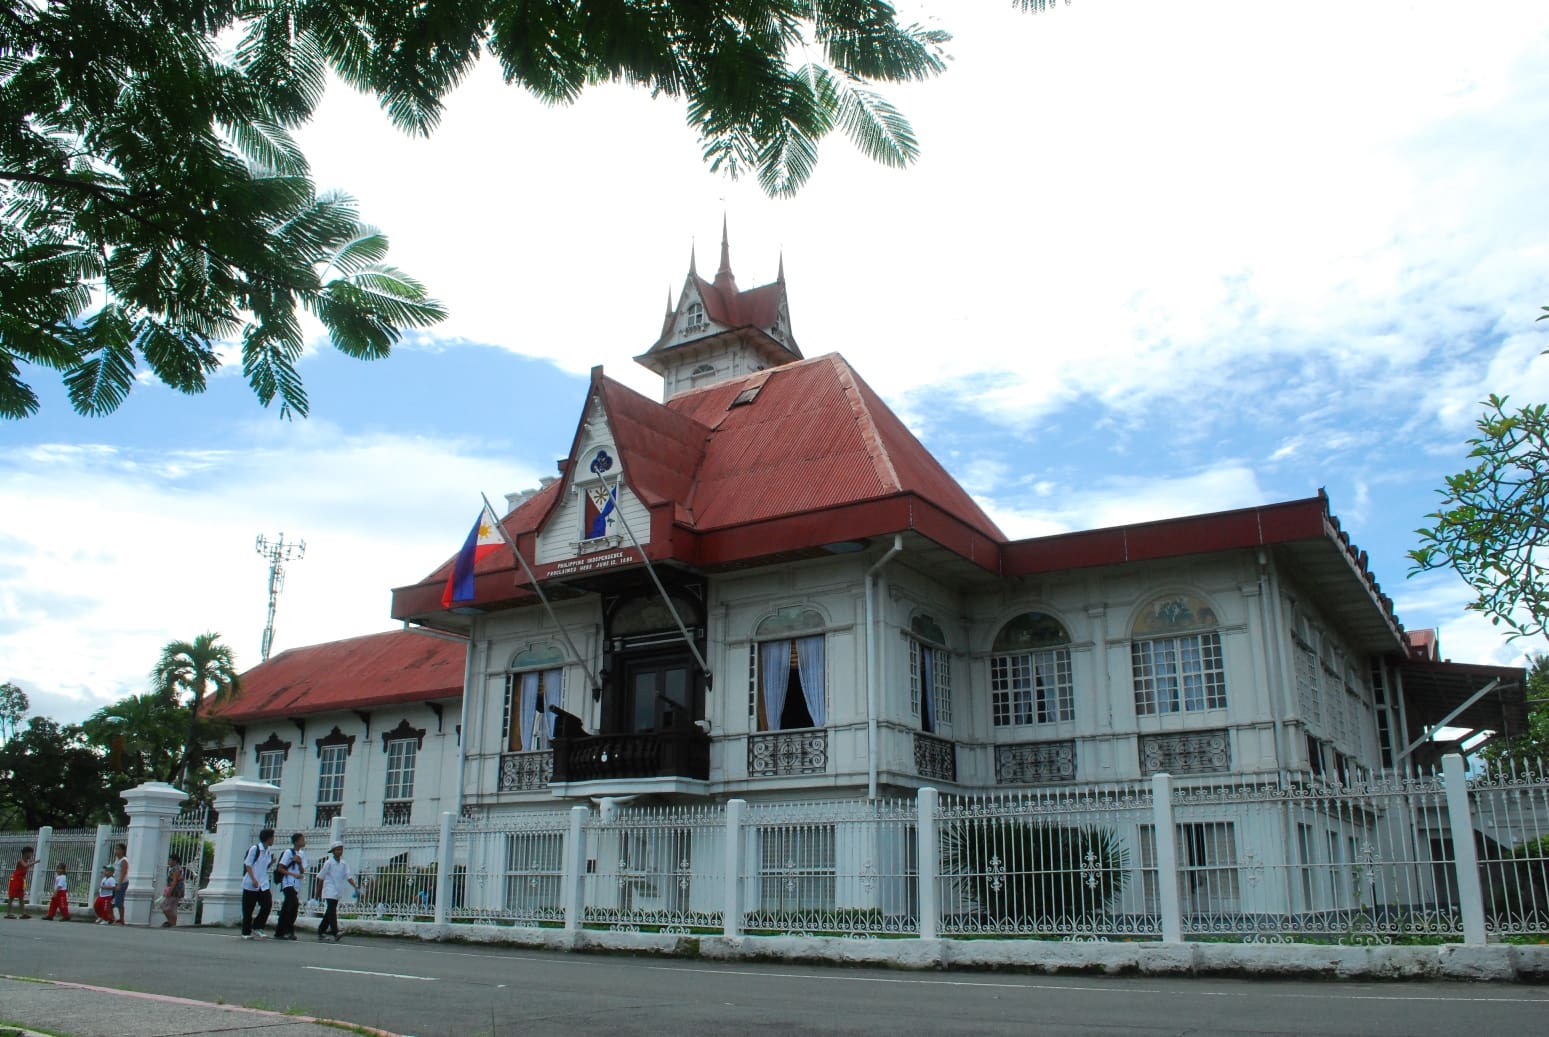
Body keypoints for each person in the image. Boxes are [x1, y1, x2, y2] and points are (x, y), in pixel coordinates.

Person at [316, 840, 357, 942]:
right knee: (332, 911)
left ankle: (321, 931)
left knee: (329, 913)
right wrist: (318, 890)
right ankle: (336, 932)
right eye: (337, 850)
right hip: (329, 889)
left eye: (341, 849)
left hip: (337, 891)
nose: (339, 852)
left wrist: (355, 886)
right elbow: (321, 877)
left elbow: (348, 876)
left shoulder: (344, 864)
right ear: (333, 851)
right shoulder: (328, 863)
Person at [240, 828, 274, 939]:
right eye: (272, 837)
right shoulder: (255, 849)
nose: (273, 839)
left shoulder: (268, 851)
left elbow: (264, 867)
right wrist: (253, 879)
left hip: (263, 884)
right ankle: (246, 932)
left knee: (267, 904)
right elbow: (248, 865)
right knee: (248, 909)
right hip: (251, 883)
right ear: (268, 838)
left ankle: (258, 927)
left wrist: (271, 863)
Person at [273, 833, 306, 940]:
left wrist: (300, 862)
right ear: (296, 842)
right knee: (294, 904)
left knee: (286, 908)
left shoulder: (302, 853)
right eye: (301, 840)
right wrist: (293, 873)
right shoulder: (288, 852)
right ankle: (289, 929)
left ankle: (279, 931)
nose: (303, 841)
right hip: (287, 883)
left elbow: (302, 870)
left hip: (296, 884)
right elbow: (280, 868)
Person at [5, 846, 35, 918]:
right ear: (26, 853)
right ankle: (8, 913)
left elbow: (26, 865)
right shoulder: (20, 861)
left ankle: (23, 913)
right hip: (15, 880)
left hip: (21, 881)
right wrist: (35, 862)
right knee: (11, 897)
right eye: (30, 853)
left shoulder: (27, 861)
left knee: (21, 897)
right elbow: (25, 866)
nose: (31, 855)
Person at [159, 854, 186, 928]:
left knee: (164, 906)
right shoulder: (177, 868)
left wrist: (169, 891)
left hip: (174, 891)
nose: (169, 862)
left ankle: (171, 922)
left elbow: (174, 882)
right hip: (177, 891)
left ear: (175, 861)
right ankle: (173, 924)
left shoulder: (176, 869)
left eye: (170, 860)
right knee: (173, 908)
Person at [110, 842, 128, 925]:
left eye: (118, 849)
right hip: (115, 882)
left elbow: (123, 873)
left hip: (122, 883)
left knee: (119, 902)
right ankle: (112, 918)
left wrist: (119, 884)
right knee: (110, 900)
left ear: (123, 850)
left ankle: (121, 919)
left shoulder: (124, 860)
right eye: (115, 849)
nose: (116, 851)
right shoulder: (117, 860)